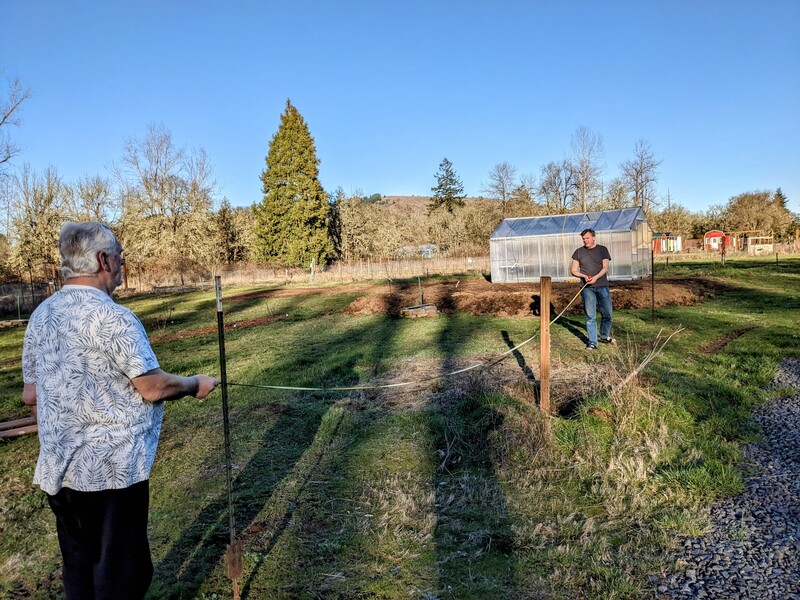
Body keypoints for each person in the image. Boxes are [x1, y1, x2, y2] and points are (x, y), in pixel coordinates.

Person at [21, 222, 219, 600]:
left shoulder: (41, 315)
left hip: (59, 471)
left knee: (79, 571)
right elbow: (153, 387)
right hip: (111, 476)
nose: (122, 264)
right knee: (120, 578)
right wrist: (195, 384)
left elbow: (31, 395)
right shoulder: (114, 318)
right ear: (102, 260)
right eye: (120, 257)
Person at [571, 228, 614, 350]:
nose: (585, 241)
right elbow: (573, 270)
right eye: (583, 239)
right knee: (590, 316)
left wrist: (595, 277)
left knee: (607, 314)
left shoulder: (602, 250)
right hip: (587, 288)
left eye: (587, 238)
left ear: (593, 237)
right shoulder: (578, 252)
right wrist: (584, 276)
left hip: (602, 286)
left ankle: (604, 336)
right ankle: (592, 342)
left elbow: (605, 267)